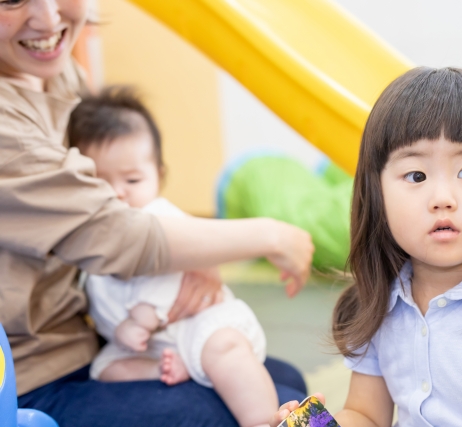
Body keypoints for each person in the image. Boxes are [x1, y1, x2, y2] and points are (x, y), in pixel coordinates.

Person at [0, 1, 313, 426]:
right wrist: (271, 234)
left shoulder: (50, 71)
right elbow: (115, 235)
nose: (50, 18)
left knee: (286, 382)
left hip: (92, 336)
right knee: (247, 411)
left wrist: (189, 260)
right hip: (33, 376)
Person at [271, 67, 462, 427]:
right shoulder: (380, 303)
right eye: (416, 176)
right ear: (378, 197)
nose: (442, 198)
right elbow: (365, 414)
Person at [67, 86, 280, 427]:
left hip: (200, 327)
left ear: (158, 176)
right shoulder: (87, 235)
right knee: (105, 370)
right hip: (146, 349)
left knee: (227, 350)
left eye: (132, 179)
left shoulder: (160, 217)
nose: (117, 193)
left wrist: (141, 319)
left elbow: (168, 273)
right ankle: (165, 369)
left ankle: (262, 421)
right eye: (99, 181)